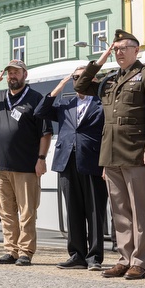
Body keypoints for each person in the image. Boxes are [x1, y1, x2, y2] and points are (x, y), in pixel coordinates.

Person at [74, 29, 145, 280]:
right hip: (111, 153)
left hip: (136, 152)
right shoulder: (110, 79)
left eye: (124, 47)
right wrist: (101, 58)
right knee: (120, 211)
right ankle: (124, 259)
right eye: (116, 49)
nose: (119, 52)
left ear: (137, 50)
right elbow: (81, 85)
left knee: (140, 210)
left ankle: (139, 262)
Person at [0, 59, 52, 266]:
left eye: (16, 72)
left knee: (27, 211)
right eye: (9, 73)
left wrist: (41, 159)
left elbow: (45, 133)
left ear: (25, 74)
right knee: (6, 212)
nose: (12, 76)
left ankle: (25, 252)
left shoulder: (35, 98)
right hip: (0, 167)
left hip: (26, 167)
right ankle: (10, 250)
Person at [34, 66, 107, 270]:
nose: (78, 80)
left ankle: (94, 257)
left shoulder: (102, 104)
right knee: (73, 211)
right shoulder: (66, 104)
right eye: (75, 77)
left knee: (95, 211)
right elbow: (40, 111)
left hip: (93, 162)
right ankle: (76, 255)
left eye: (83, 77)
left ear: (92, 80)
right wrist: (58, 87)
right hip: (66, 162)